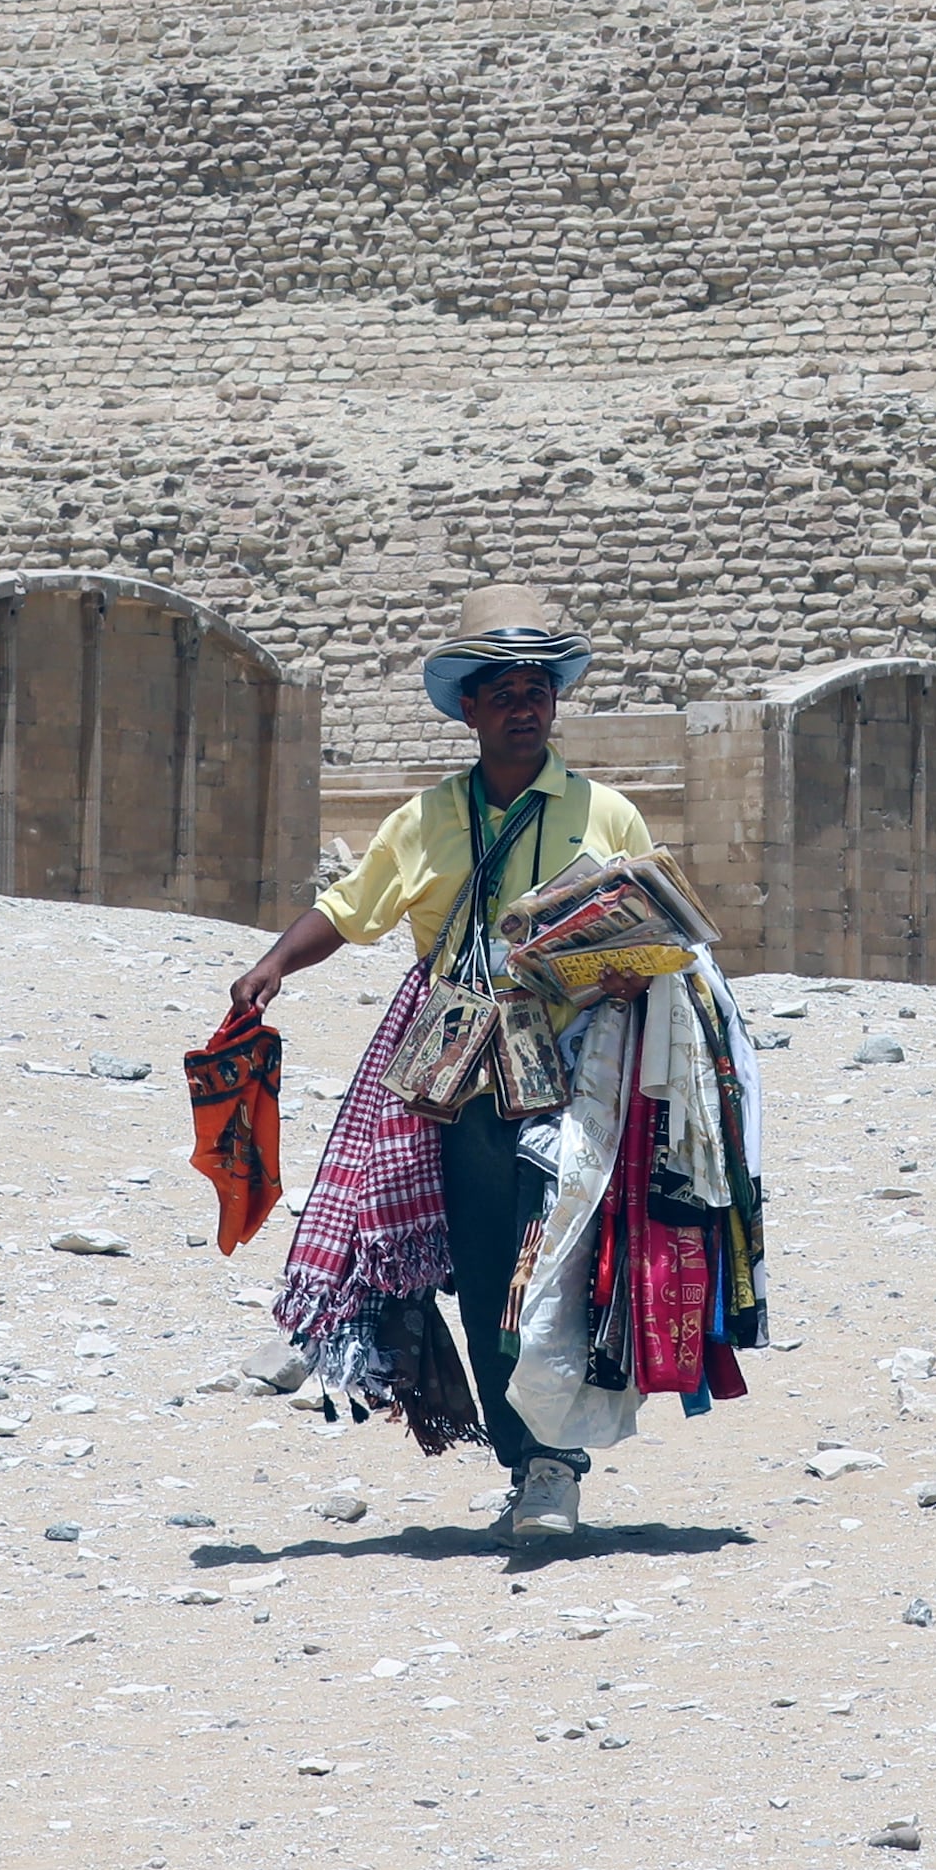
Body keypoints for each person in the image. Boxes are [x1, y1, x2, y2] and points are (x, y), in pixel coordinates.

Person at [232, 586, 659, 1537]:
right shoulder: (422, 821)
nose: (523, 705)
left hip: (578, 1062)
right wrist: (271, 966)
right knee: (479, 1266)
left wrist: (630, 970)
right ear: (467, 707)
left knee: (558, 1262)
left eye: (538, 687)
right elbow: (348, 912)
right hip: (458, 1077)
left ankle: (558, 1460)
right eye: (501, 689)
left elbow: (658, 931)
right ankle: (526, 1461)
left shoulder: (610, 815)